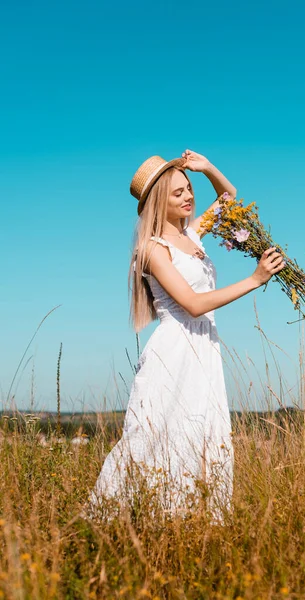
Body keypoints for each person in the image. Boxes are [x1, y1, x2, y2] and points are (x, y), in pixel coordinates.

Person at [86, 149, 285, 523]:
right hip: (176, 350)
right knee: (157, 434)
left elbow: (228, 200)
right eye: (177, 193)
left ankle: (189, 521)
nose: (189, 197)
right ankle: (120, 521)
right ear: (160, 201)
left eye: (189, 188)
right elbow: (192, 304)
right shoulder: (152, 250)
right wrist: (255, 280)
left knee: (202, 433)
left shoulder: (191, 236)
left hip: (204, 348)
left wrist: (207, 167)